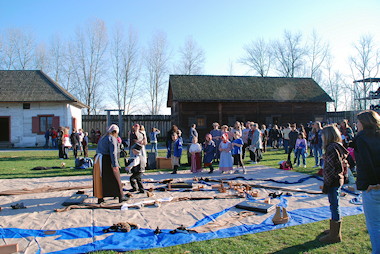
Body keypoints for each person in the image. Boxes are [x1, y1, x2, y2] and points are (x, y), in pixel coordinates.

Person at [353, 110, 380, 253]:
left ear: (363, 122)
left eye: (358, 122)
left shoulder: (362, 138)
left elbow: (365, 163)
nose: (356, 125)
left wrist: (373, 183)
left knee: (374, 225)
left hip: (373, 187)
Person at [319, 125, 348, 243]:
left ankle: (335, 234)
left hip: (333, 181)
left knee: (334, 205)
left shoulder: (331, 148)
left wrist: (326, 185)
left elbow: (330, 169)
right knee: (335, 204)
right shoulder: (337, 146)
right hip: (338, 179)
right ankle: (333, 229)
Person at [93, 124, 128, 204]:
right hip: (107, 160)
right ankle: (121, 196)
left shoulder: (103, 137)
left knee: (102, 179)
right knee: (116, 178)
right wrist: (115, 164)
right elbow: (113, 152)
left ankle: (100, 197)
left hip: (99, 160)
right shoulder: (112, 138)